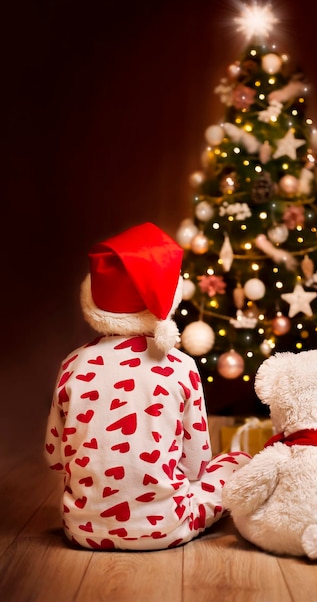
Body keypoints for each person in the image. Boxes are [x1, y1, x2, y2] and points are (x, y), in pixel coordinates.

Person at [44, 222, 251, 550]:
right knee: (238, 463)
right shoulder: (181, 366)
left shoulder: (73, 364)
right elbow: (197, 464)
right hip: (167, 526)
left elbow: (55, 457)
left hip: (82, 531)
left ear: (92, 299)